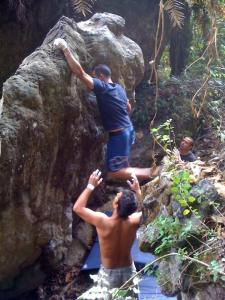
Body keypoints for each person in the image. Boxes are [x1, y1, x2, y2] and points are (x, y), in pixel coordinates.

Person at [53, 38, 157, 181]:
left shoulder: (102, 88)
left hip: (119, 135)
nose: (93, 79)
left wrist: (65, 49)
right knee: (122, 163)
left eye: (95, 76)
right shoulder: (119, 88)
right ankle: (133, 186)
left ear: (101, 76)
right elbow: (128, 107)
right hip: (128, 129)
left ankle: (152, 172)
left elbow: (80, 73)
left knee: (114, 172)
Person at [73, 169, 143, 299]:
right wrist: (138, 191)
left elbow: (77, 208)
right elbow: (147, 209)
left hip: (109, 274)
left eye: (117, 196)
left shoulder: (103, 222)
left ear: (115, 204)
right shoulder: (135, 220)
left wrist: (90, 186)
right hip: (129, 271)